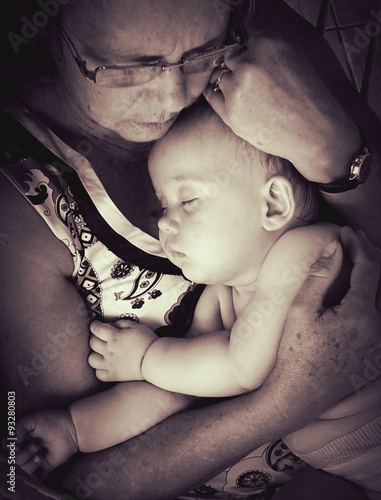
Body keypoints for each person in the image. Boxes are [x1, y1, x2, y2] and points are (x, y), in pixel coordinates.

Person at [1, 0, 381, 498]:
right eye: (131, 65)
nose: (175, 95)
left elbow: (234, 368)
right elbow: (174, 390)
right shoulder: (20, 205)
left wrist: (336, 153)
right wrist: (76, 428)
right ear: (48, 30)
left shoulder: (304, 254)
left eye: (202, 53)